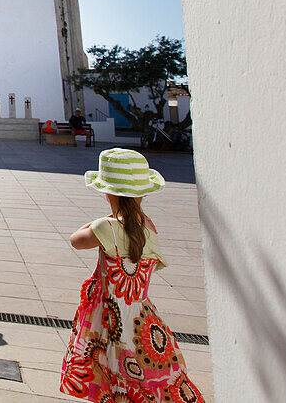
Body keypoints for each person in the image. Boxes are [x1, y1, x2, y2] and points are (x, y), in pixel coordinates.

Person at [60, 148, 203, 403]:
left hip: (108, 317)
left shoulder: (107, 227)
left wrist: (97, 222)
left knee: (109, 373)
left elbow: (76, 241)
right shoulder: (148, 227)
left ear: (107, 192)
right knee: (138, 375)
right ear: (143, 193)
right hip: (141, 318)